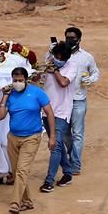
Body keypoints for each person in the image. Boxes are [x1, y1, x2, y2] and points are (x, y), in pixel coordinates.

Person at [0, 68, 56, 214]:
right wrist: (4, 97)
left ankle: (15, 203)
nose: (17, 83)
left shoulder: (37, 93)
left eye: (20, 80)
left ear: (26, 79)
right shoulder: (10, 95)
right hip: (13, 137)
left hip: (31, 137)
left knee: (22, 170)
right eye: (15, 80)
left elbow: (49, 112)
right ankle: (27, 201)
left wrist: (52, 136)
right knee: (17, 171)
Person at [41, 41, 78, 193]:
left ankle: (49, 181)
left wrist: (54, 70)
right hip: (46, 111)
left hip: (62, 113)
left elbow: (63, 83)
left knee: (54, 146)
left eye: (60, 57)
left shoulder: (72, 67)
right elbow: (38, 80)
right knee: (58, 144)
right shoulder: (48, 65)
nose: (57, 59)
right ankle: (68, 172)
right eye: (56, 56)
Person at [63, 27, 99, 176]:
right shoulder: (60, 54)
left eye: (72, 37)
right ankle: (71, 158)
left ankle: (75, 164)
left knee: (77, 133)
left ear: (79, 39)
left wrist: (89, 80)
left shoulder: (86, 57)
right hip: (63, 100)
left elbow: (95, 72)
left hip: (79, 99)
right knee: (65, 134)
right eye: (67, 37)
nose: (69, 40)